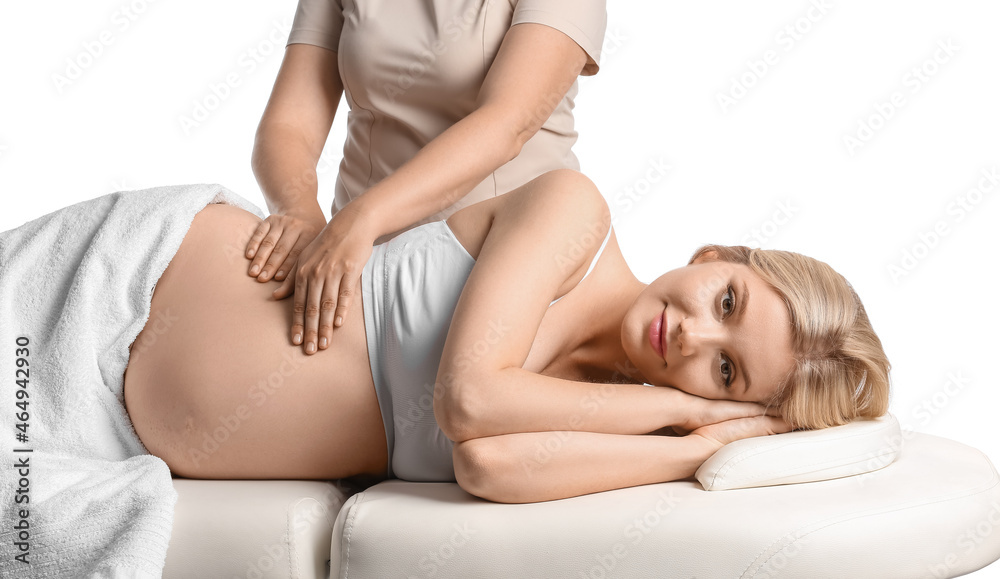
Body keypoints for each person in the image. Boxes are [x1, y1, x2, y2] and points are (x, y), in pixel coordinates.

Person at [122, 169, 891, 504]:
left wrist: (695, 452)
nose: (690, 334)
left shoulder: (608, 412)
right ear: (716, 255)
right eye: (727, 299)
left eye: (725, 370)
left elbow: (487, 462)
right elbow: (469, 399)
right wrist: (687, 416)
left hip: (119, 429)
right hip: (135, 282)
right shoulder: (574, 216)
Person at [248, 0, 610, 357]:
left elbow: (507, 123)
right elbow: (289, 124)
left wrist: (362, 218)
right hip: (360, 273)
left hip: (504, 272)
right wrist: (299, 212)